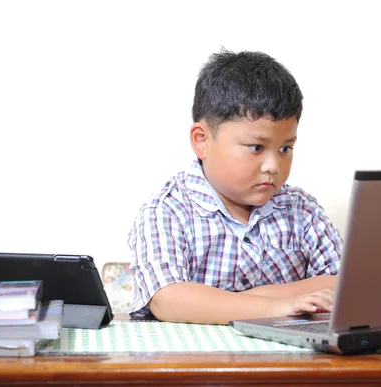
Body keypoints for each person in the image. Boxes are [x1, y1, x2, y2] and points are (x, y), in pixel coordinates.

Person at [128, 50, 343, 324]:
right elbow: (167, 299)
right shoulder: (167, 210)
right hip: (195, 362)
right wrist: (273, 307)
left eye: (285, 148)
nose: (273, 166)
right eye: (256, 147)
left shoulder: (301, 210)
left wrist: (253, 297)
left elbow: (344, 285)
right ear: (202, 140)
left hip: (281, 362)